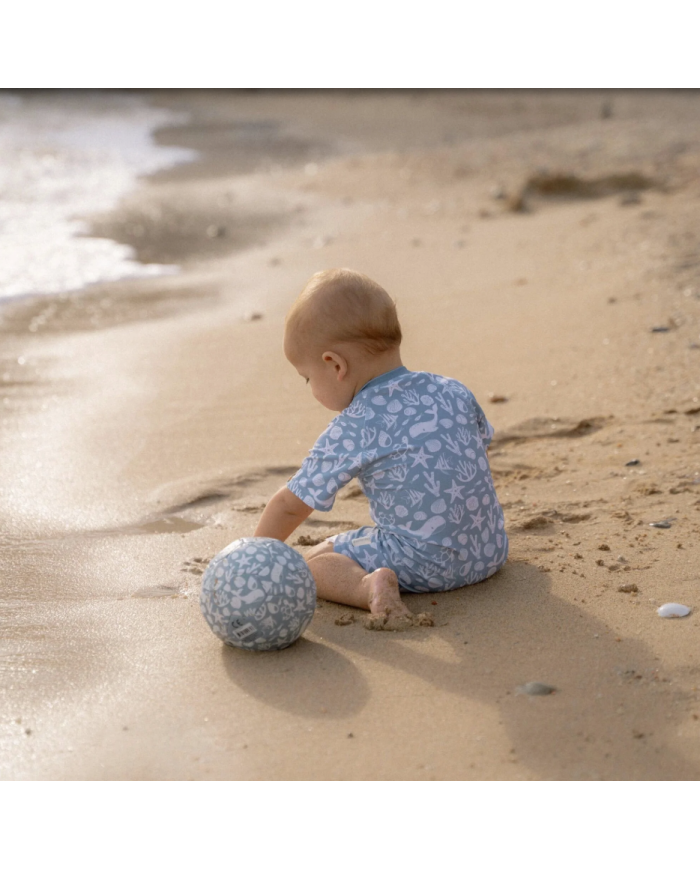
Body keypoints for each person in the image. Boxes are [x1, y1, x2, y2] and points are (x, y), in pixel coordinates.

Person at [254, 268, 508, 630]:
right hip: (490, 553)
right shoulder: (453, 390)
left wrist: (253, 555)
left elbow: (290, 504)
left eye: (308, 379)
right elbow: (476, 447)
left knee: (318, 561)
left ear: (335, 364)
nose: (310, 388)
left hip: (424, 566)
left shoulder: (354, 425)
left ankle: (367, 588)